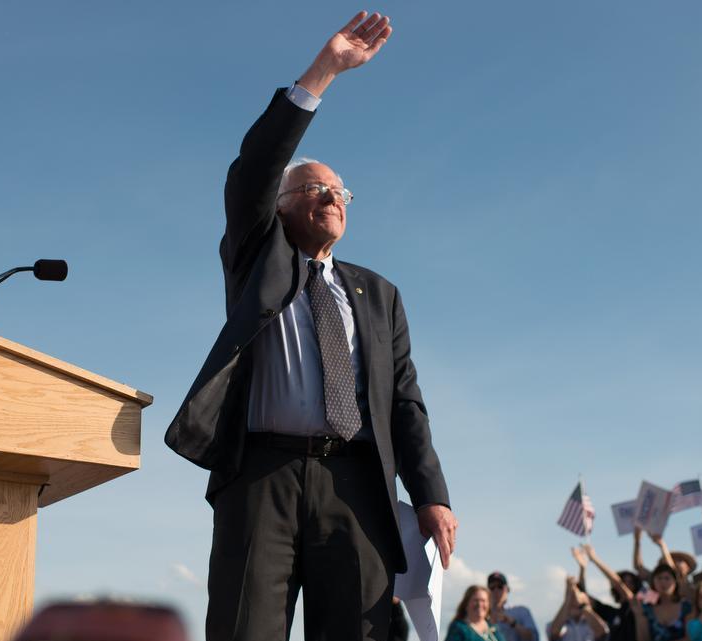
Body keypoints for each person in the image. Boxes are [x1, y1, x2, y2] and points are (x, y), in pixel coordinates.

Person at [163, 12, 458, 641]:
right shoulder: (258, 257)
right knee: (247, 629)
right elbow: (256, 168)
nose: (331, 197)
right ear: (280, 207)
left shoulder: (379, 294)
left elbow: (406, 400)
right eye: (314, 188)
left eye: (339, 192)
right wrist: (323, 72)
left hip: (355, 483)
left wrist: (431, 492)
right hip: (260, 475)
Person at [577, 544, 640, 641]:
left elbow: (617, 583)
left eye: (631, 582)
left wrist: (594, 559)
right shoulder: (612, 613)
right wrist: (582, 568)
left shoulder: (639, 609)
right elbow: (583, 596)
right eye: (624, 581)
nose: (626, 585)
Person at [630, 563, 693, 641]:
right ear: (653, 582)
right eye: (659, 578)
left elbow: (691, 637)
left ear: (675, 582)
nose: (663, 582)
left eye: (667, 578)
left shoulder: (686, 606)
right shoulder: (647, 608)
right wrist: (639, 615)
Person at [548, 576, 610, 641]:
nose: (574, 601)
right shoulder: (559, 623)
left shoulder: (594, 621)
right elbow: (553, 633)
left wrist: (582, 606)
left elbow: (602, 632)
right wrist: (567, 600)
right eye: (571, 598)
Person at [486, 571, 540, 641]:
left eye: (500, 587)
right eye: (492, 588)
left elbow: (533, 638)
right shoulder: (481, 614)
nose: (496, 590)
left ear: (507, 589)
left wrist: (512, 623)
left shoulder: (521, 611)